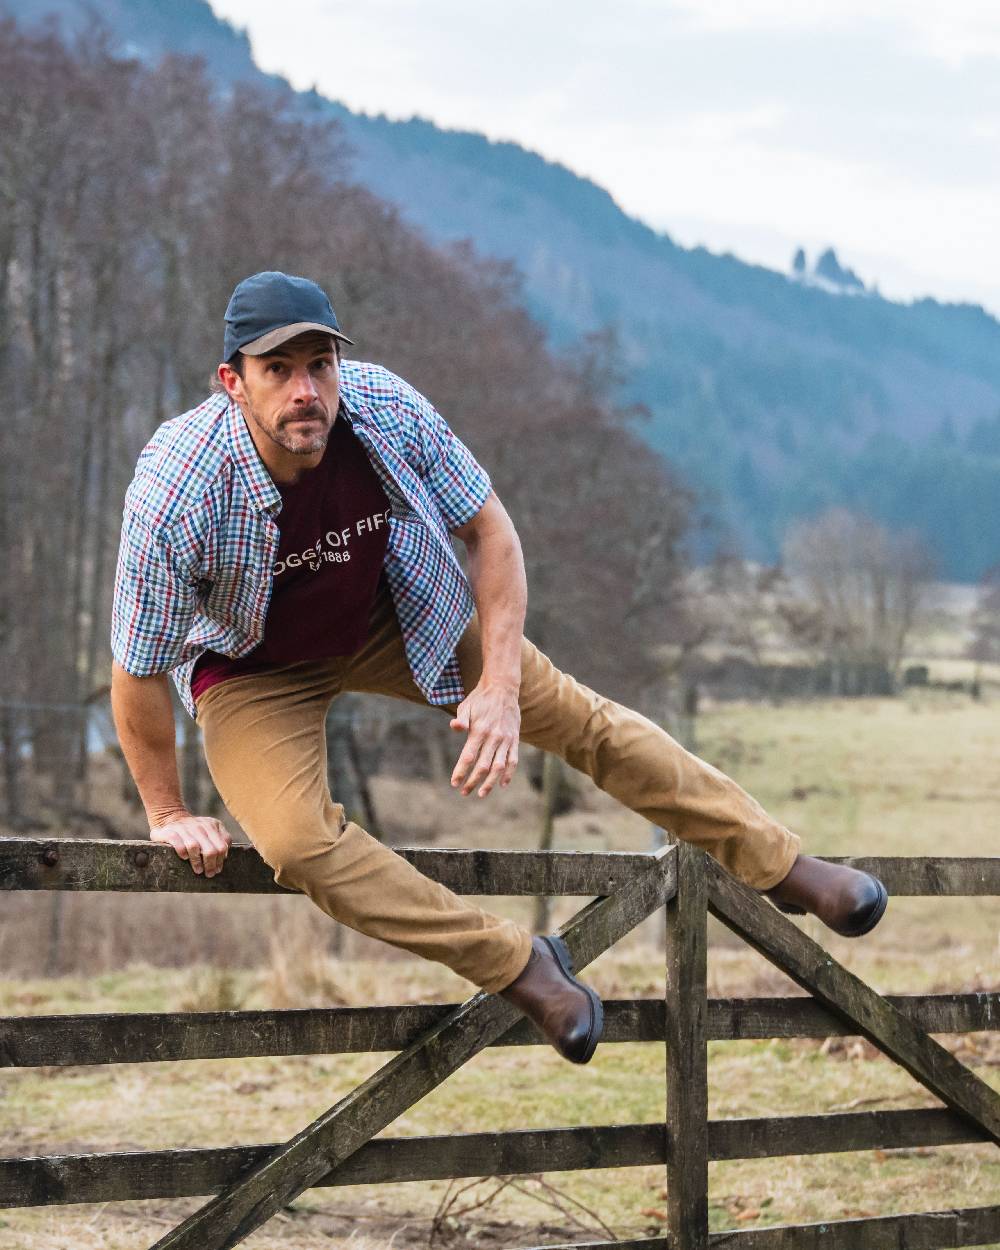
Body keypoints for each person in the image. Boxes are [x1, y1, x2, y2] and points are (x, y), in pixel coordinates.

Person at [110, 271, 888, 1067]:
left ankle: (786, 865)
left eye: (320, 364)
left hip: (389, 609)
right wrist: (167, 811)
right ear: (232, 382)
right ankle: (522, 967)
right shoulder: (180, 487)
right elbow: (135, 665)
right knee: (296, 846)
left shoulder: (383, 409)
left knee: (576, 715)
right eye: (279, 371)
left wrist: (501, 688)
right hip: (252, 665)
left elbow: (491, 531)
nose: (307, 390)